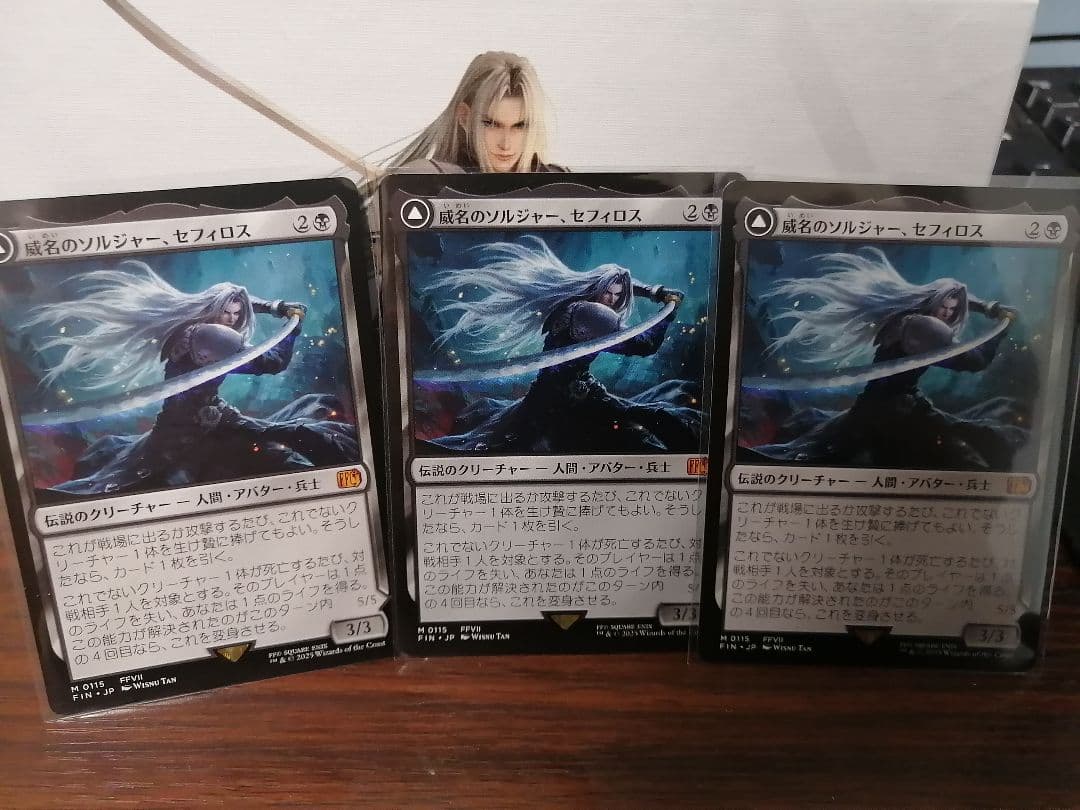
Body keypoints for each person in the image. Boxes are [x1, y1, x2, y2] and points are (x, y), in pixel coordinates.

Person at [22, 260, 358, 496]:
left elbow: (235, 302)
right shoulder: (213, 336)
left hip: (200, 420)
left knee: (290, 441)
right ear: (213, 308)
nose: (232, 318)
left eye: (236, 313)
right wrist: (293, 326)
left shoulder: (191, 328)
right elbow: (272, 363)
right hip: (192, 432)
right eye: (226, 312)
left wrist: (273, 306)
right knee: (287, 450)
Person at [744, 247, 1023, 470]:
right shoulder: (926, 327)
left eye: (953, 309)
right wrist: (1002, 328)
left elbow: (949, 296)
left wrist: (987, 307)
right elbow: (975, 362)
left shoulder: (908, 316)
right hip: (892, 413)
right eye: (945, 307)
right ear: (933, 301)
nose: (948, 313)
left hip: (890, 405)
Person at [416, 236, 698, 453]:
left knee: (648, 419)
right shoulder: (592, 314)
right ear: (597, 289)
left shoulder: (575, 302)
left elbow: (615, 282)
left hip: (567, 394)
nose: (612, 299)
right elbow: (644, 345)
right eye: (608, 293)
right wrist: (669, 311)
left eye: (617, 295)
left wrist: (653, 291)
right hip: (563, 404)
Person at [390, 51, 564, 173]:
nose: (505, 144)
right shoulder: (426, 178)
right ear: (464, 117)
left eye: (520, 126)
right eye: (491, 124)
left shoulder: (562, 184)